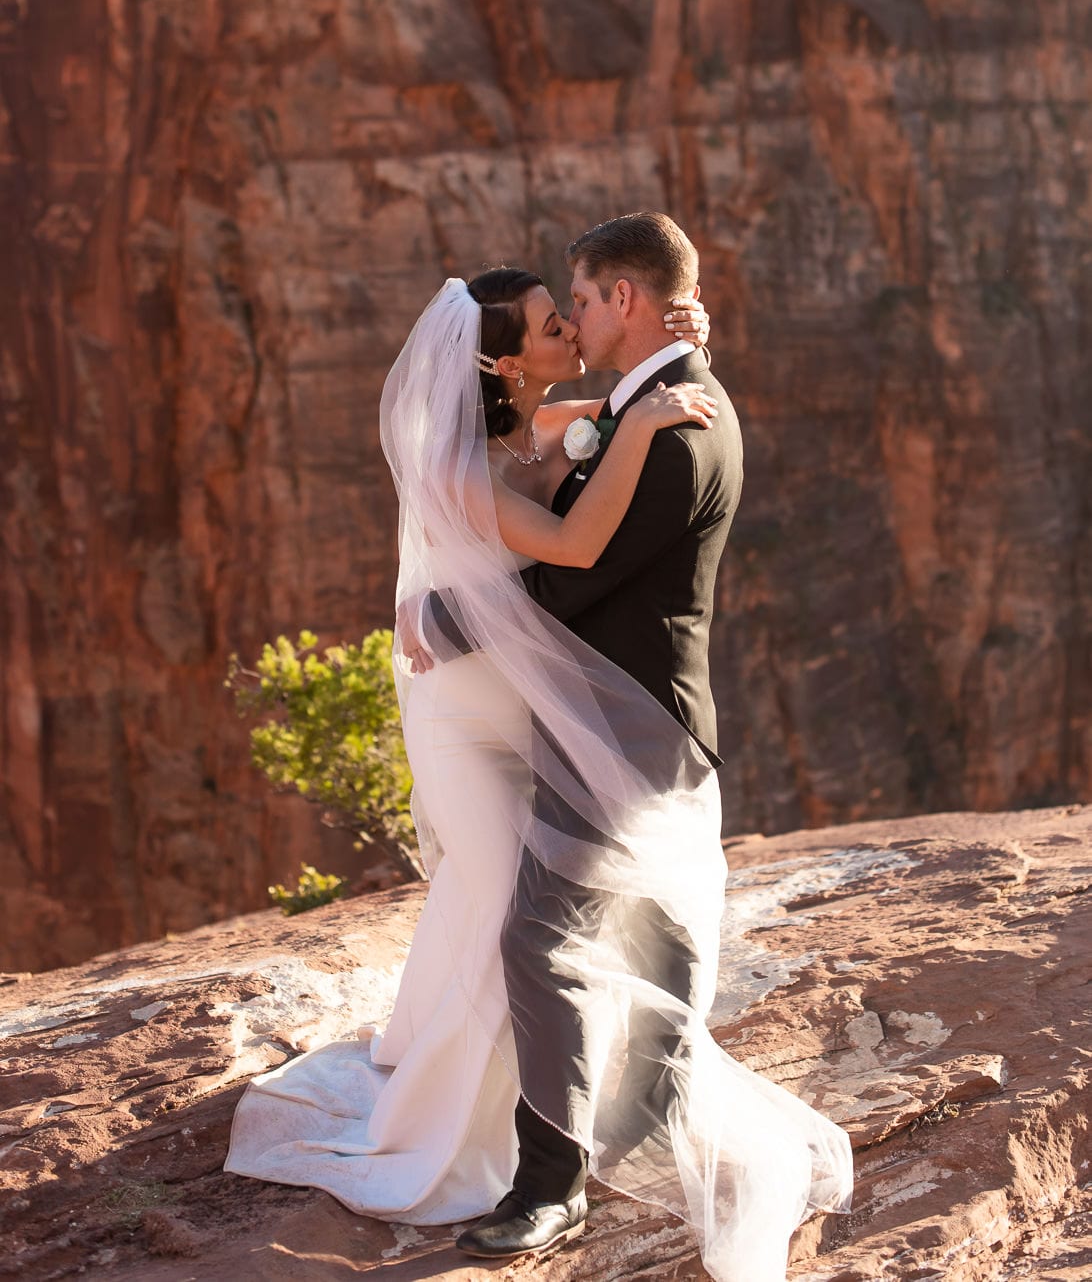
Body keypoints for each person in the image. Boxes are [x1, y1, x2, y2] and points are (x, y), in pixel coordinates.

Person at [225, 214, 854, 1282]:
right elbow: (596, 445)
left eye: (586, 301)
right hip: (555, 712)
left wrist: (447, 621)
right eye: (555, 315)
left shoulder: (674, 422)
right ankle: (565, 1114)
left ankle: (555, 1172)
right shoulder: (640, 402)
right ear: (509, 360)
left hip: (617, 716)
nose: (573, 319)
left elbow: (571, 574)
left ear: (628, 303)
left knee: (549, 930)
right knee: (573, 911)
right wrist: (669, 359)